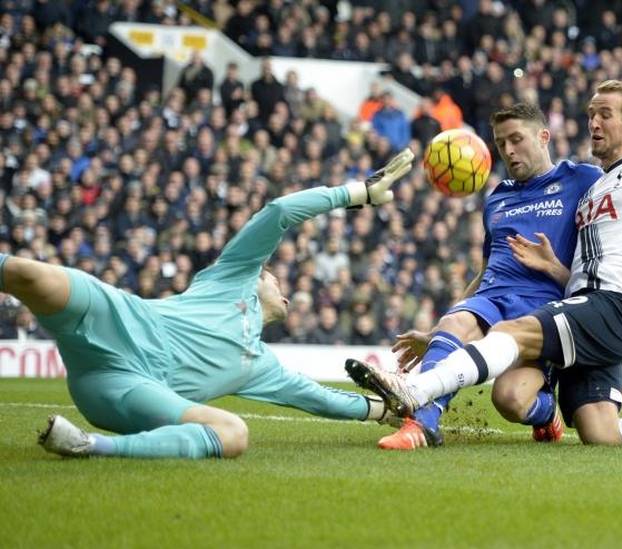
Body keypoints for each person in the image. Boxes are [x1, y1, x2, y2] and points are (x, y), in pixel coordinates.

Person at [346, 80, 622, 450]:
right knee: (602, 433)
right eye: (591, 113)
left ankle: (416, 391)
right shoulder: (596, 188)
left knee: (508, 333)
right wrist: (554, 266)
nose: (593, 121)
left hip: (608, 305)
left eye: (605, 115)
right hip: (586, 307)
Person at [27, 149, 415, 459]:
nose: (285, 289)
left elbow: (323, 400)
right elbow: (279, 213)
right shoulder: (235, 273)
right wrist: (357, 193)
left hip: (122, 389)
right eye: (277, 279)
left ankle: (87, 445)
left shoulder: (263, 368)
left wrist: (388, 409)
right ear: (261, 278)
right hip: (118, 322)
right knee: (35, 278)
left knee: (234, 434)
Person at [380, 102, 603, 450]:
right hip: (492, 299)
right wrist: (440, 331)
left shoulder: (583, 180)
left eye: (517, 139)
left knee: (510, 399)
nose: (509, 150)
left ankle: (545, 413)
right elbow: (485, 272)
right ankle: (422, 425)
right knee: (454, 325)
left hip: (541, 312)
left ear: (544, 136)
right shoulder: (498, 198)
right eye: (501, 144)